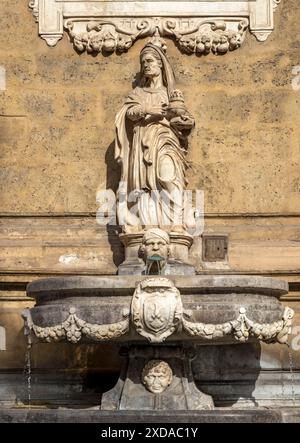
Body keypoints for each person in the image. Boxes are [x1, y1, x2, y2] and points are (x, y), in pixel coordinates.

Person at [115, 42, 195, 233]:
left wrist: (186, 122)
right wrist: (147, 109)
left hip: (167, 140)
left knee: (169, 176)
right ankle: (148, 222)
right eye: (143, 63)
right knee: (145, 185)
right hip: (143, 141)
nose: (146, 65)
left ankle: (176, 222)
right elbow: (128, 113)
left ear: (160, 64)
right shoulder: (138, 93)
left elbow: (181, 116)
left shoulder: (170, 93)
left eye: (150, 61)